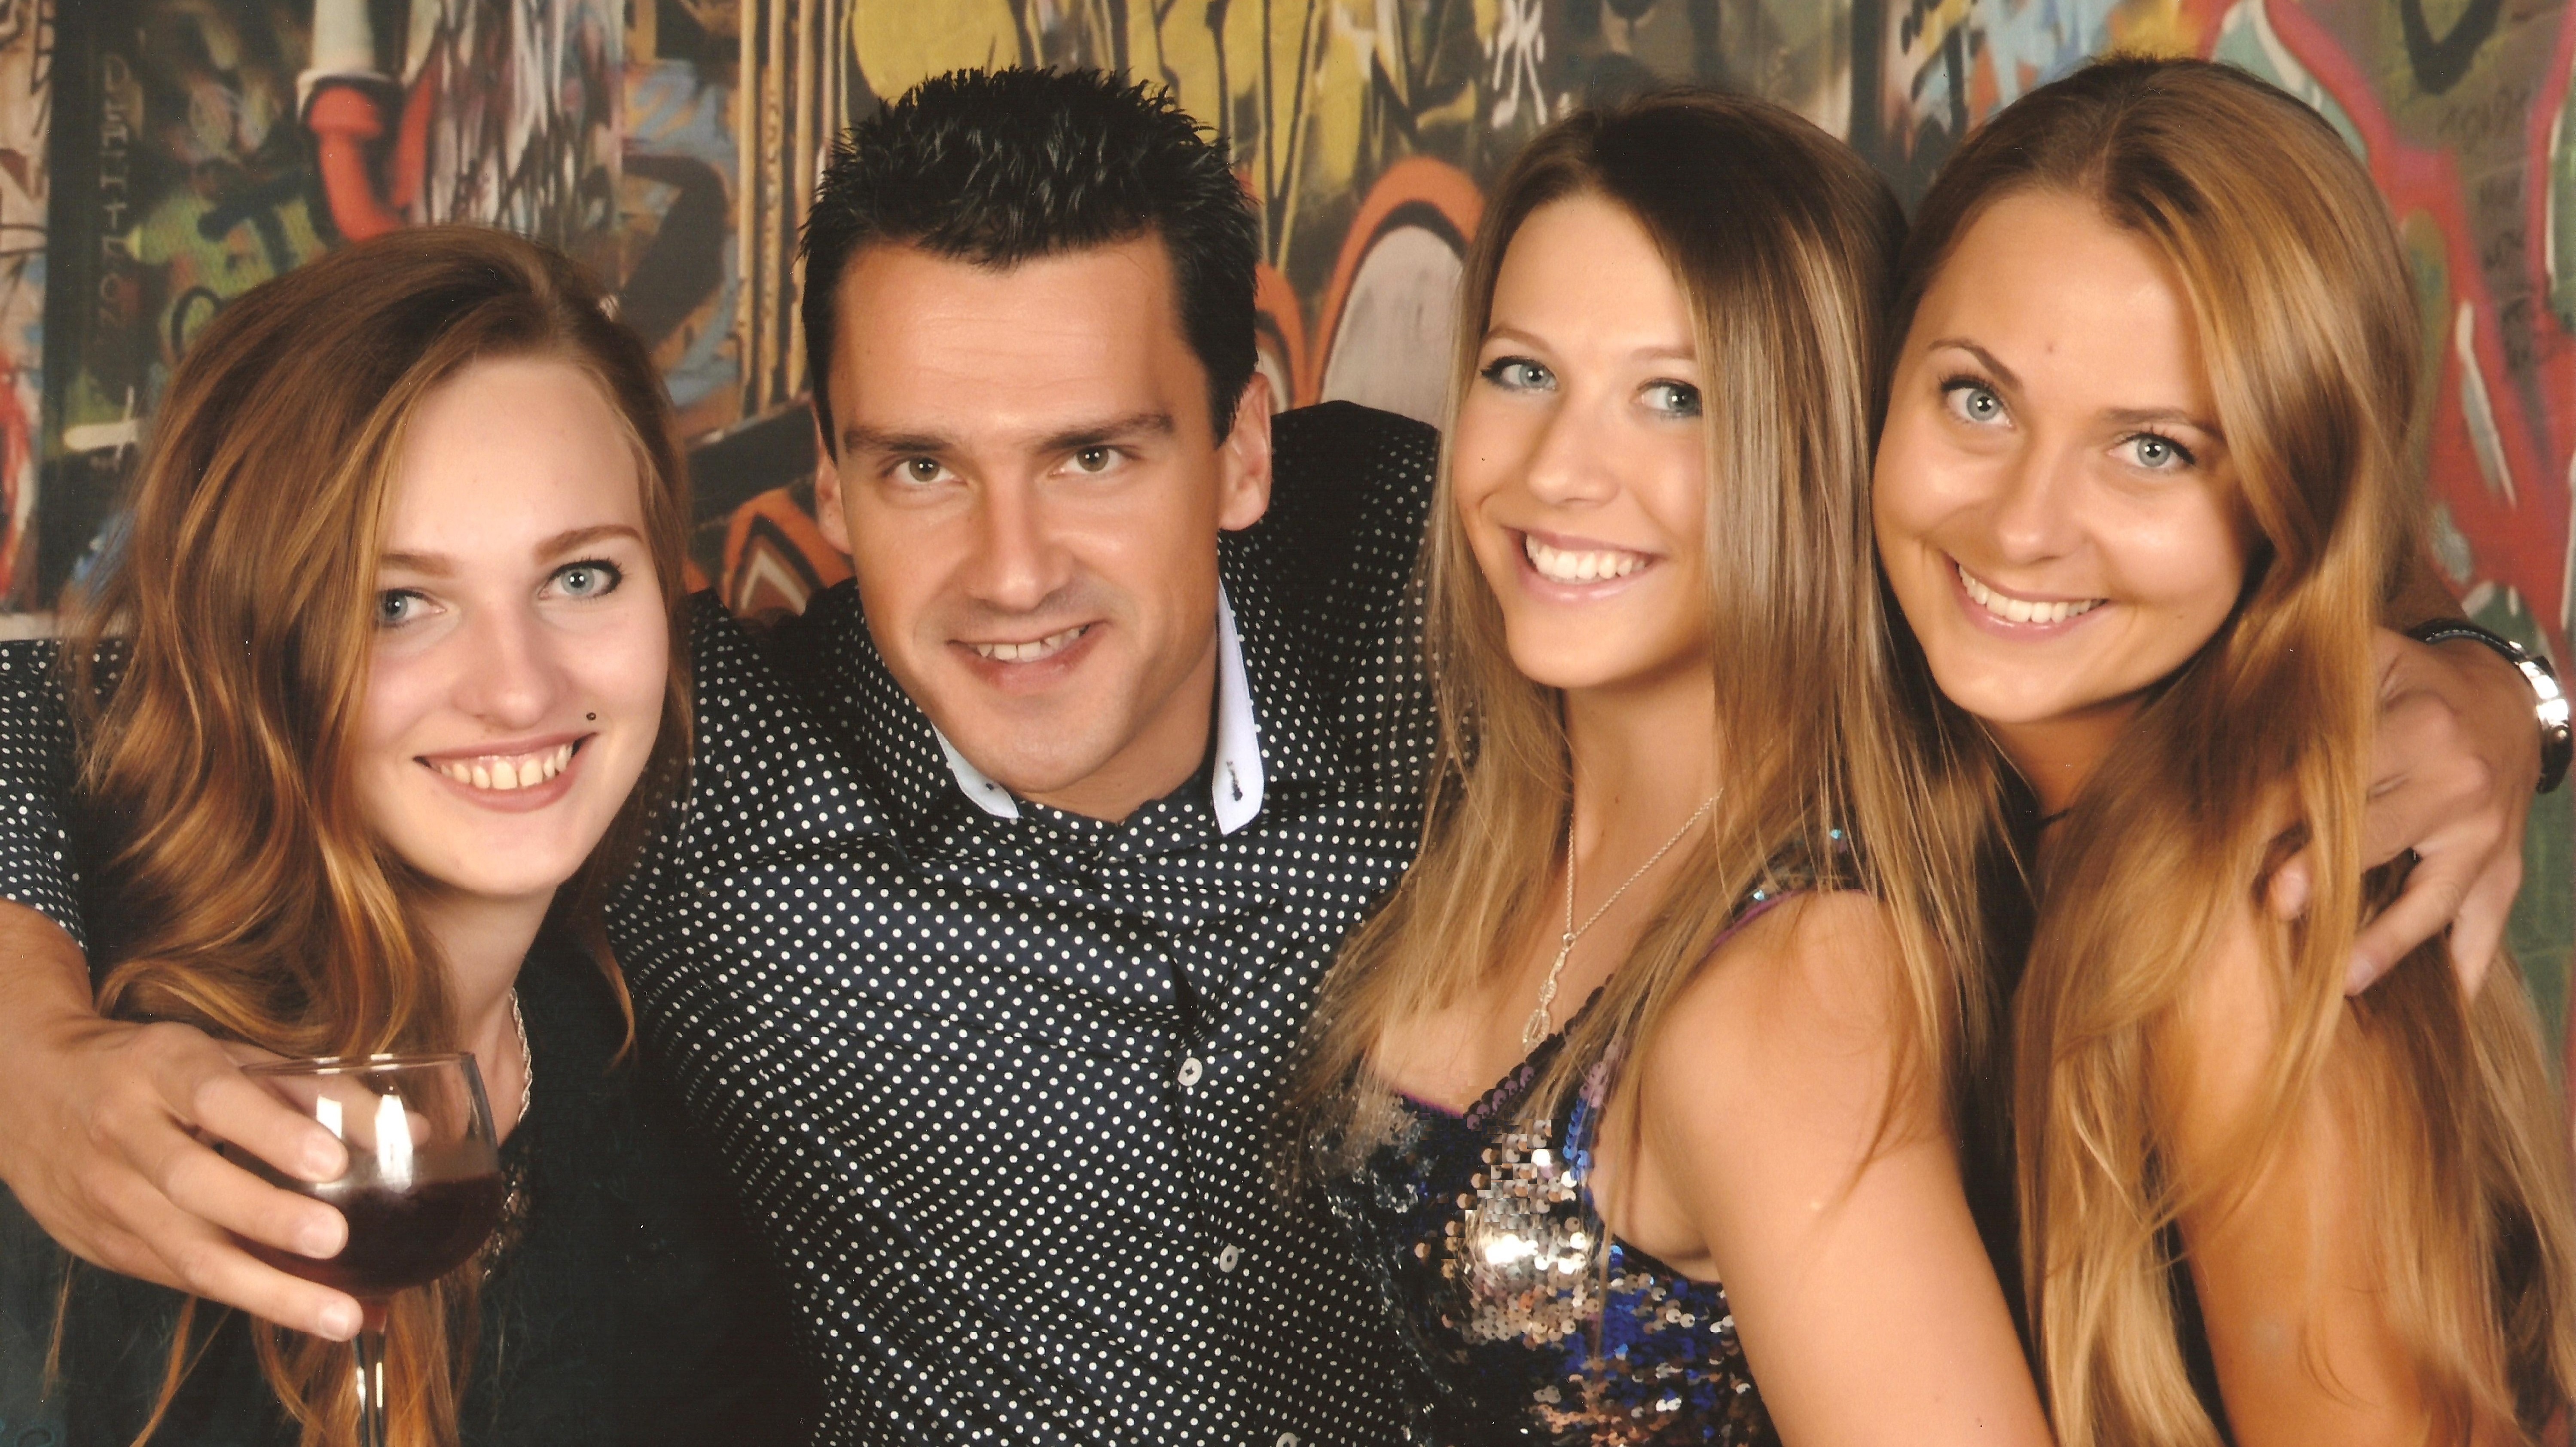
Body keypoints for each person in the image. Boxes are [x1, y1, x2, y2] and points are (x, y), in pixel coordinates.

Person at [0, 65, 2552, 1447]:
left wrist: (2469, 686)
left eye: (1096, 454)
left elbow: (2045, 574)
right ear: (820, 488)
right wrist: (30, 1042)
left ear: (1246, 442)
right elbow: (76, 695)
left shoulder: (1451, 596)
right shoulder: (670, 755)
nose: (1008, 566)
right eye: (917, 469)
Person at [1290, 90, 2048, 1444]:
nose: (1558, 472)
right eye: (1522, 373)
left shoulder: (1798, 984)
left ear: (1815, 447)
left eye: (1674, 398)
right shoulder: (1478, 803)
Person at [0, 228, 811, 1443]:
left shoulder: (652, 1055)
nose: (520, 690)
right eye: (398, 603)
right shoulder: (110, 1121)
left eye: (582, 577)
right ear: (251, 638)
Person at [1871, 57, 2576, 1446]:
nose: (2021, 527)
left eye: (2152, 450)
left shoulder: (2231, 909)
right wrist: (2507, 692)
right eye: (1976, 400)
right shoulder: (1970, 803)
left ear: (2286, 506)